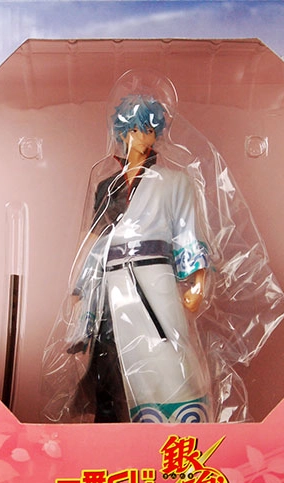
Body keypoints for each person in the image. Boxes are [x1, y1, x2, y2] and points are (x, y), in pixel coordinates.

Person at [67, 94, 212, 423]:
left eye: (148, 129)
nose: (142, 136)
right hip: (113, 282)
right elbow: (96, 240)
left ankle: (177, 423)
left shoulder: (175, 181)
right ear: (122, 133)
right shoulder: (107, 185)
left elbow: (187, 233)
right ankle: (114, 422)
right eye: (134, 129)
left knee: (167, 349)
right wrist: (81, 285)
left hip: (155, 276)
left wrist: (197, 282)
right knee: (111, 356)